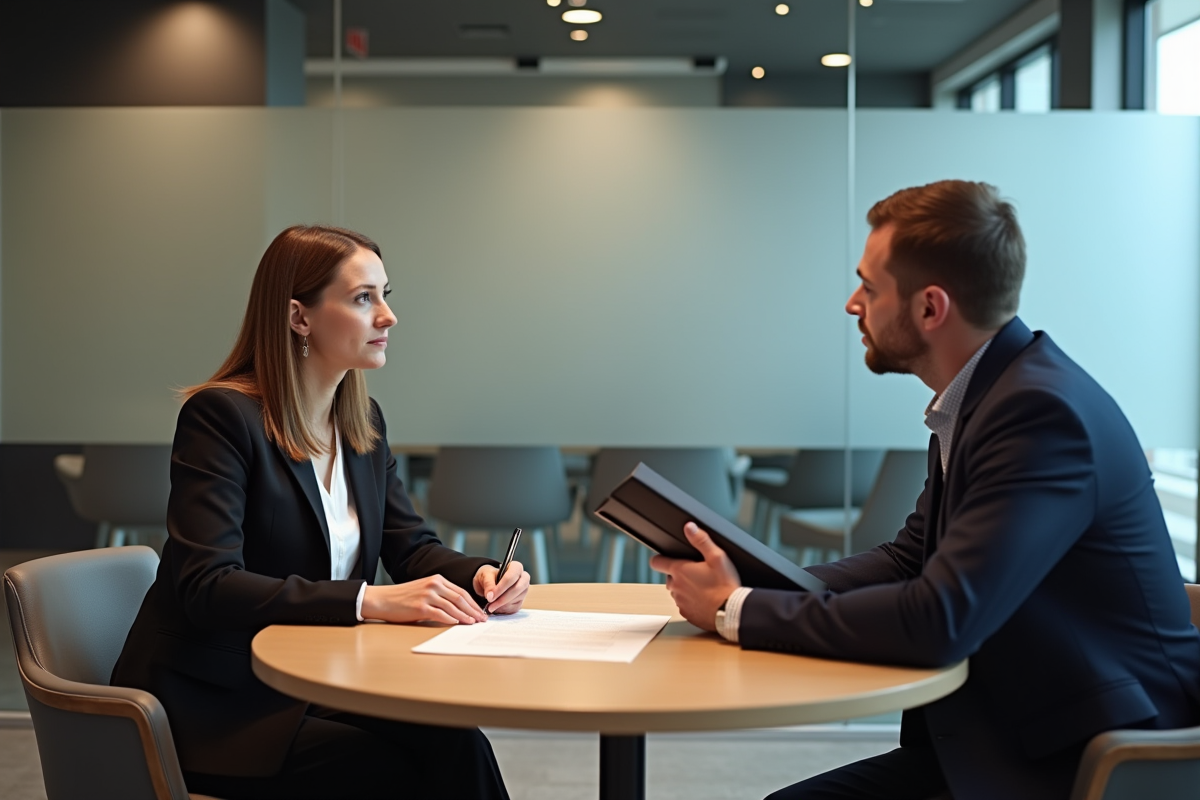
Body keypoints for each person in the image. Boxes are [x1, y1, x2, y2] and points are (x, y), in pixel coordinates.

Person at [651, 180, 1200, 800]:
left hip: (1090, 759)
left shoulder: (1041, 416)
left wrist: (738, 611)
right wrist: (753, 581)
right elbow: (909, 557)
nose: (852, 304)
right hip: (1008, 735)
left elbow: (940, 619)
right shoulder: (986, 396)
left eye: (869, 286)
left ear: (930, 308)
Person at [112, 225, 528, 800]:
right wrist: (368, 600)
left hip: (315, 683)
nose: (387, 317)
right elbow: (206, 585)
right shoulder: (222, 418)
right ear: (298, 317)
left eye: (386, 295)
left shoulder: (364, 423)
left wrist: (479, 576)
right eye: (364, 298)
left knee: (457, 743)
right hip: (217, 702)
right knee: (389, 770)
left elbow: (411, 547)